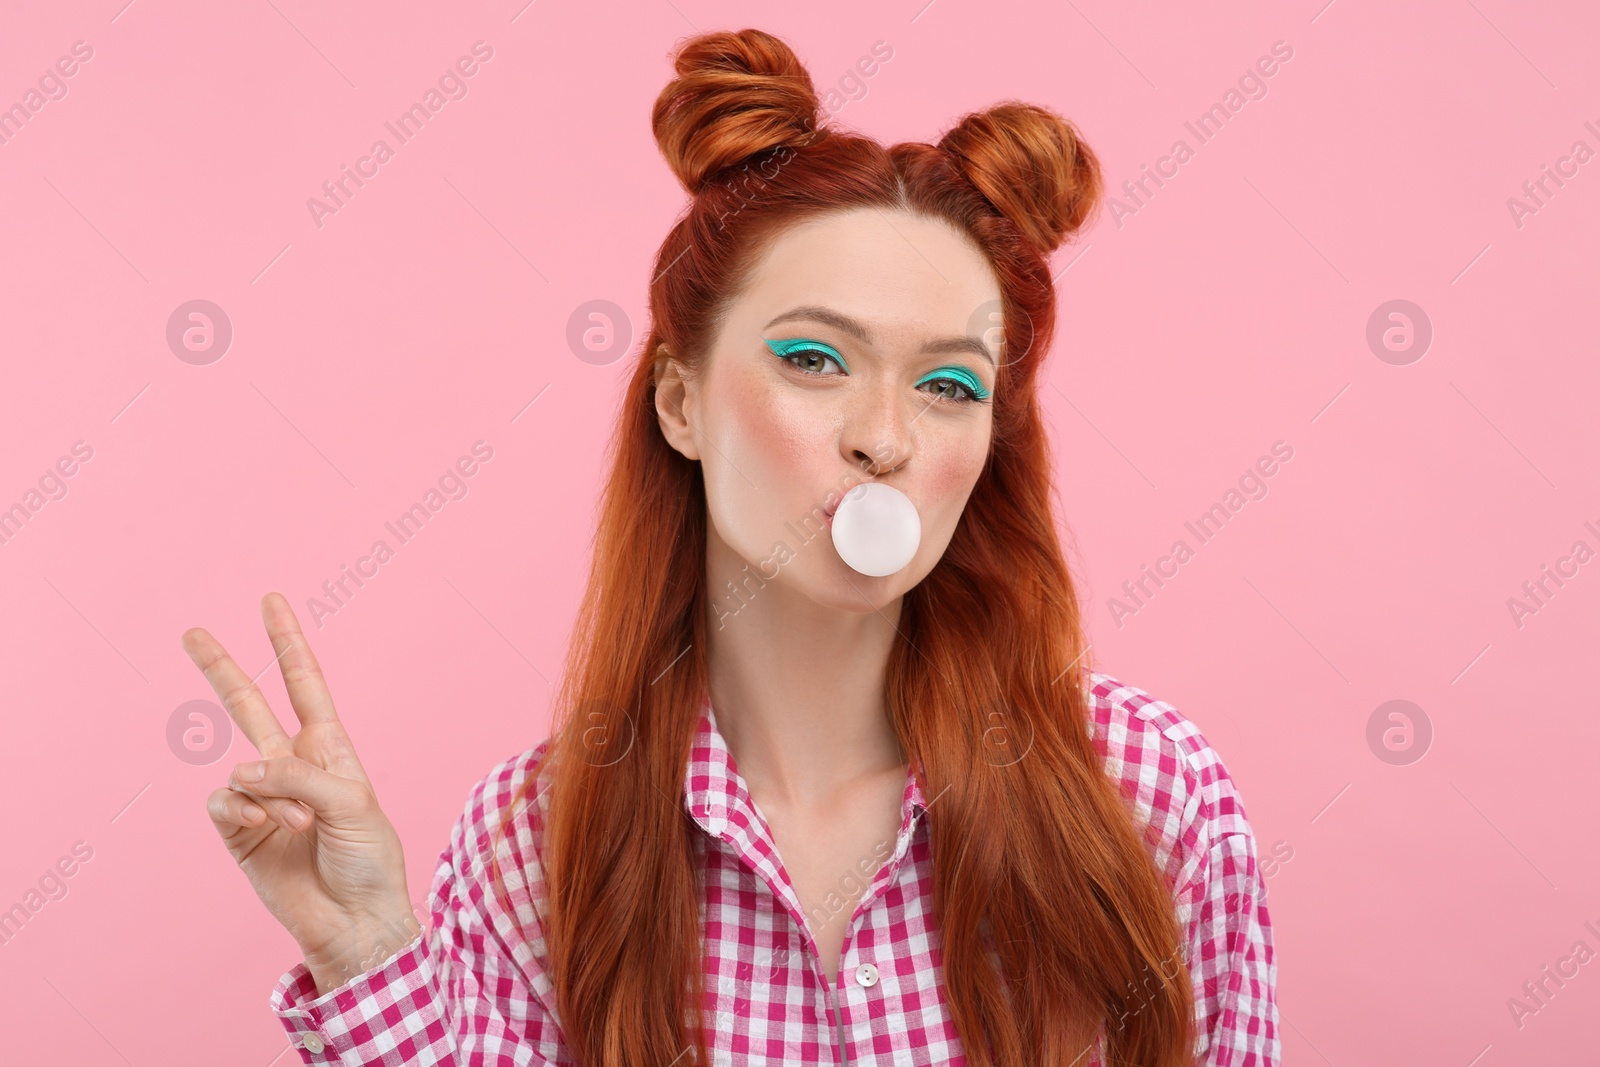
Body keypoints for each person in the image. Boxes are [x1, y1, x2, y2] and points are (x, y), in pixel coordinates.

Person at [184, 26, 1278, 1067]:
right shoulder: (537, 841)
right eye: (814, 359)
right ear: (680, 401)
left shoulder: (1146, 792)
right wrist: (367, 947)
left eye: (947, 384)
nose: (884, 436)